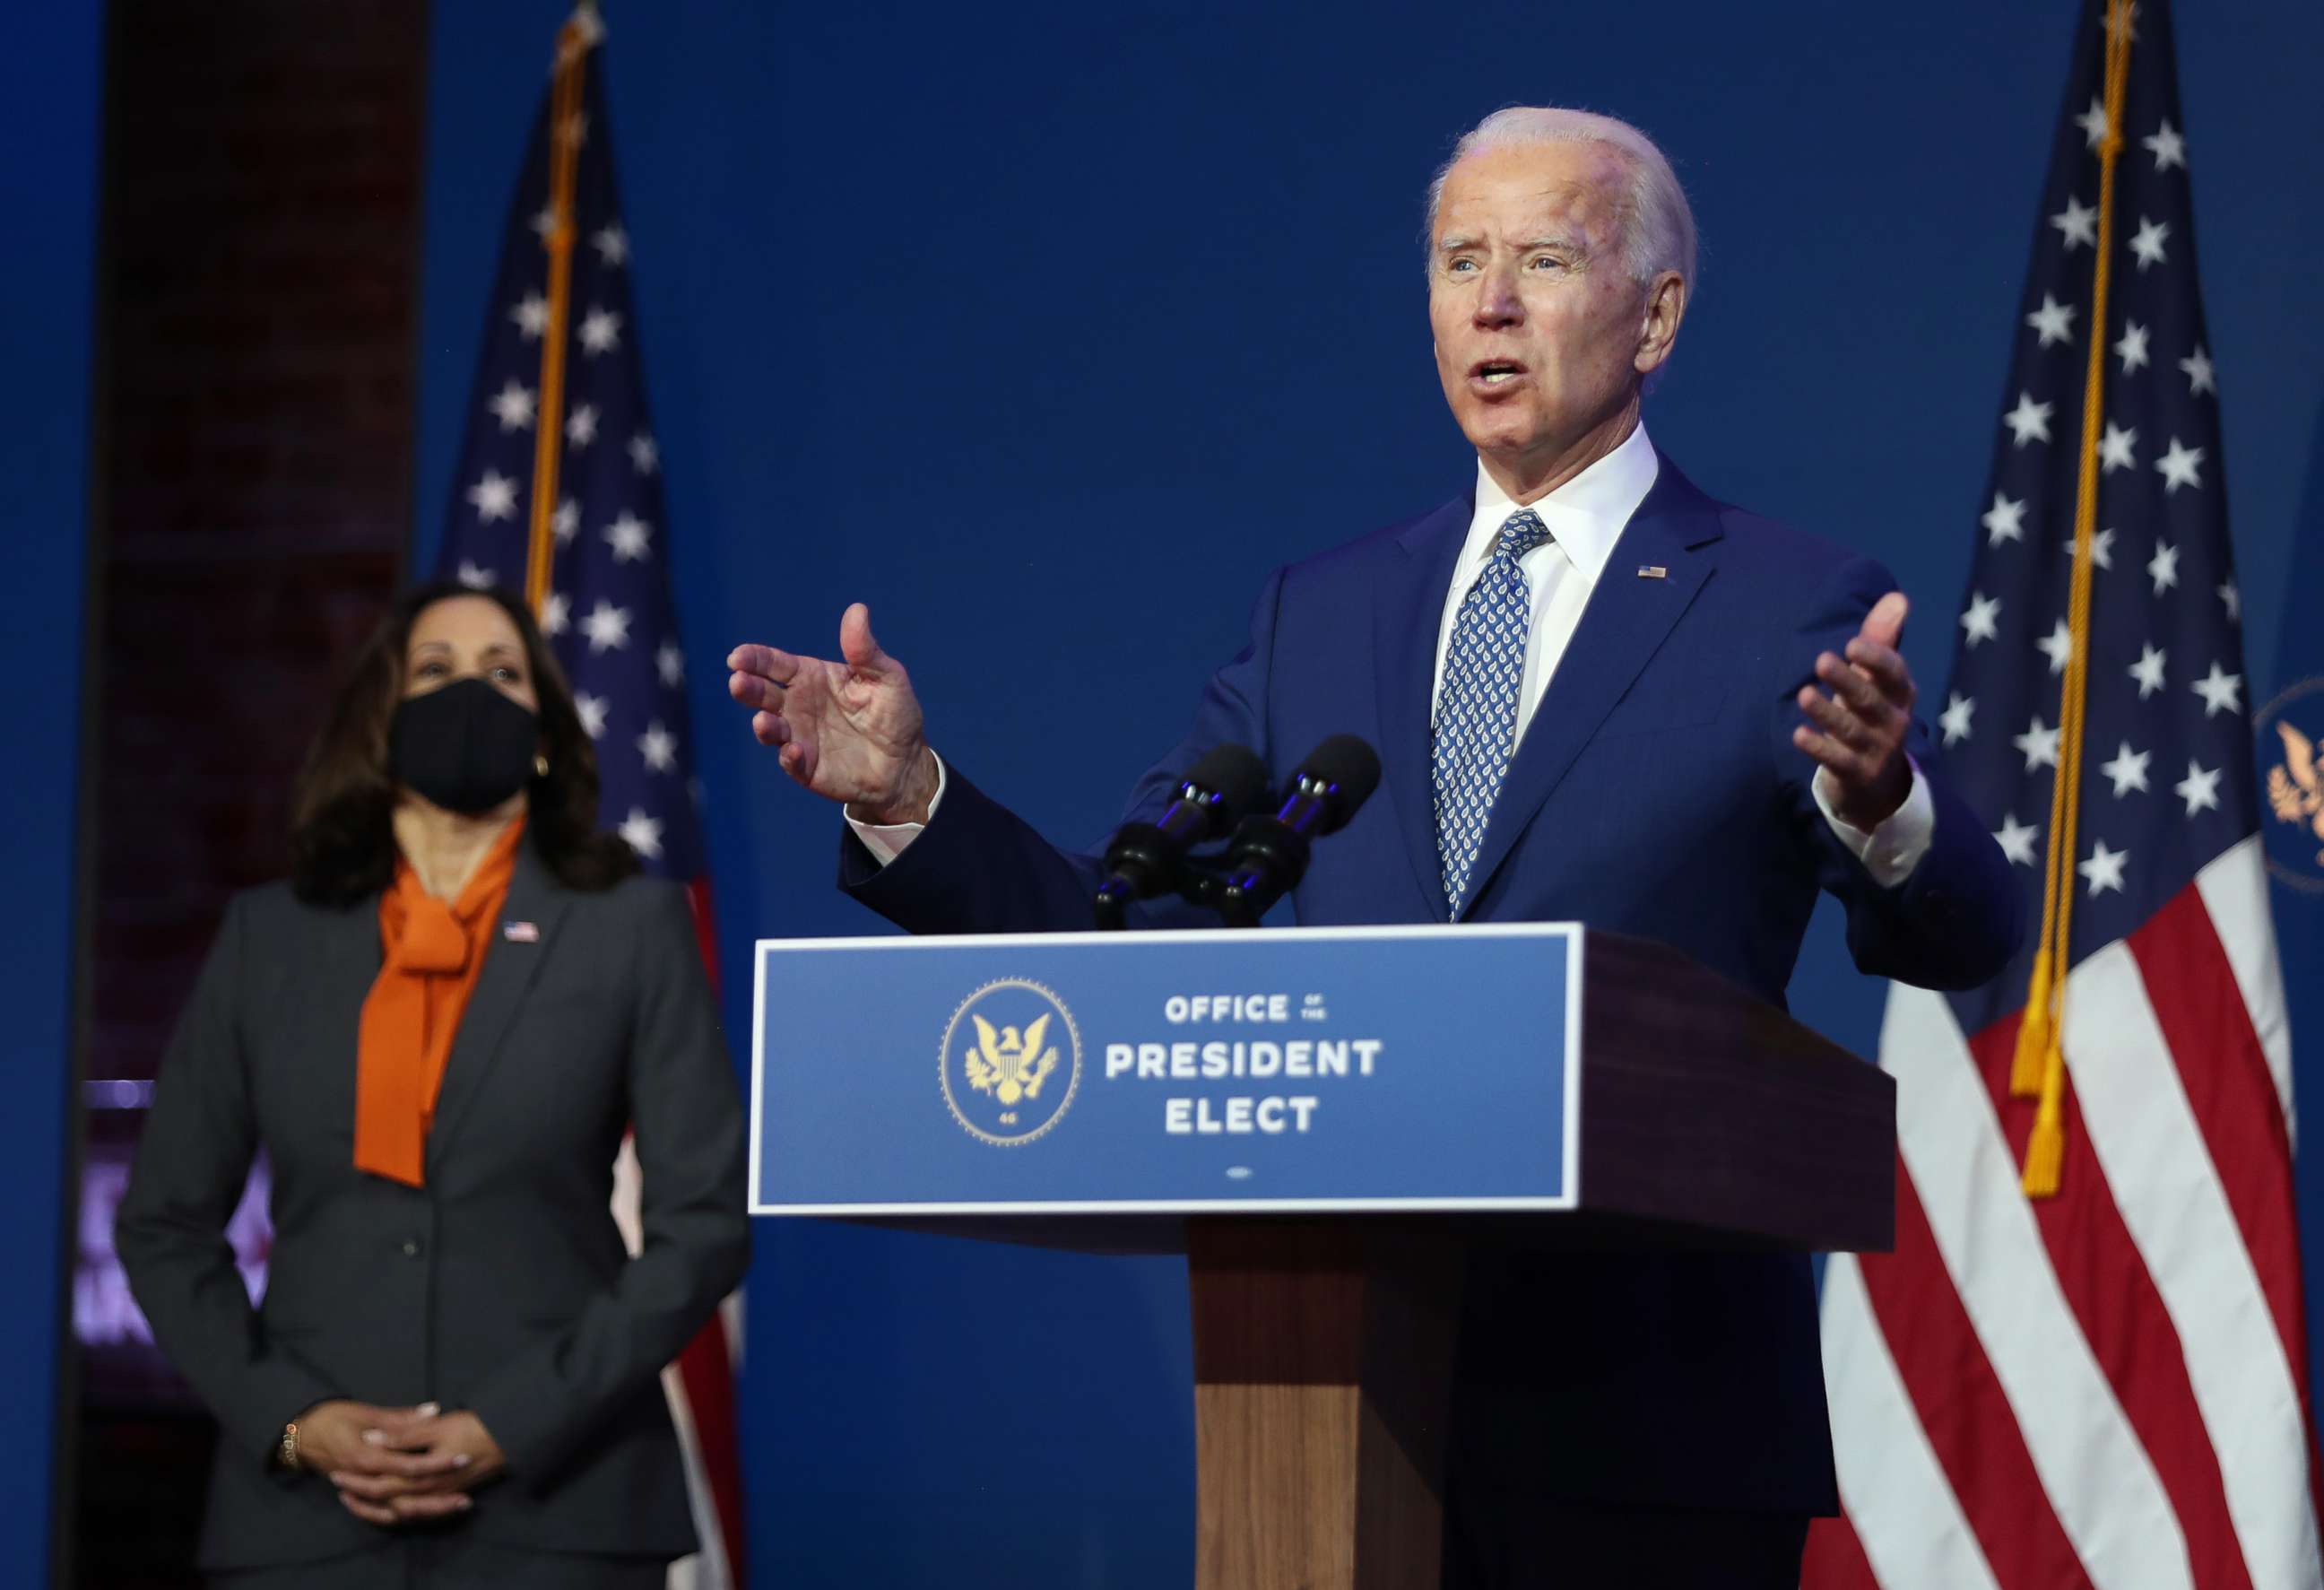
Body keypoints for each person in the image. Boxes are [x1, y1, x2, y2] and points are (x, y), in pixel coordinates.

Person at [726, 107, 2022, 1586]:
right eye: (1457, 260)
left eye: (1542, 258)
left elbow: (1966, 933)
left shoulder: (1784, 601)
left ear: (1655, 314)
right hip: (1333, 1397)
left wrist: (1882, 809)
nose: (1488, 303)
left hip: (1647, 1427)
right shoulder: (1320, 615)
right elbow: (1127, 927)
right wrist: (909, 797)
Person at [118, 582, 748, 1589]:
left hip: (561, 1514)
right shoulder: (267, 940)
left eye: (503, 674)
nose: (472, 695)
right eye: (437, 672)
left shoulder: (631, 929)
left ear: (545, 730)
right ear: (382, 717)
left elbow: (705, 1223)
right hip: (306, 1524)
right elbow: (163, 1227)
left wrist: (514, 1423)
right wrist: (294, 1421)